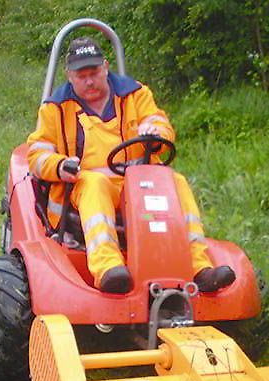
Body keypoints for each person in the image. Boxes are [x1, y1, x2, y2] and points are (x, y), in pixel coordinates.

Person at [26, 37, 236, 295]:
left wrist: (155, 133)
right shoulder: (55, 108)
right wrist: (60, 165)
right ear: (69, 76)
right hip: (82, 187)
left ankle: (198, 267)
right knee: (95, 183)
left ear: (106, 67)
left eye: (94, 73)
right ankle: (108, 269)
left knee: (176, 182)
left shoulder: (136, 94)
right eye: (82, 76)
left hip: (137, 184)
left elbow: (160, 124)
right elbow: (37, 155)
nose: (89, 81)